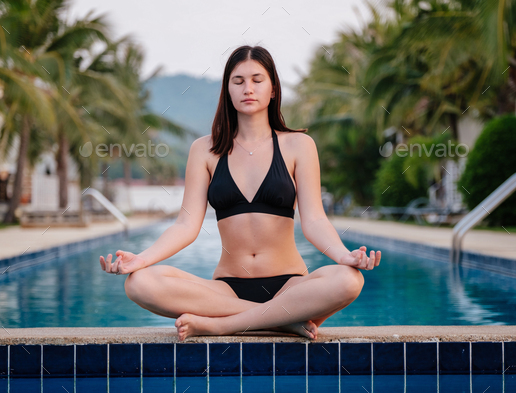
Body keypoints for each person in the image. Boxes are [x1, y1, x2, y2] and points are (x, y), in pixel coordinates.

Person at [99, 45, 381, 341]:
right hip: (227, 288)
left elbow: (314, 220)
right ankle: (280, 321)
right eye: (238, 81)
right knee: (139, 283)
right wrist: (142, 260)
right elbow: (186, 225)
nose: (248, 88)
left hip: (290, 285)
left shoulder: (299, 145)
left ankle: (223, 324)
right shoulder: (204, 150)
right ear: (227, 90)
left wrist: (344, 256)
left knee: (349, 280)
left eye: (257, 80)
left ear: (273, 89)